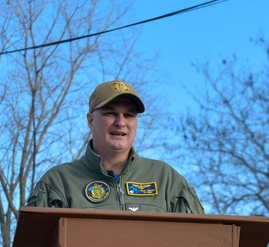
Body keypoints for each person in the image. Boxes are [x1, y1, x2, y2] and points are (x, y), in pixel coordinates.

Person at [26, 79, 205, 214]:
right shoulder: (58, 183)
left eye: (129, 115)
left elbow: (201, 243)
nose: (121, 123)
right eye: (110, 113)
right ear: (90, 120)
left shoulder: (167, 180)